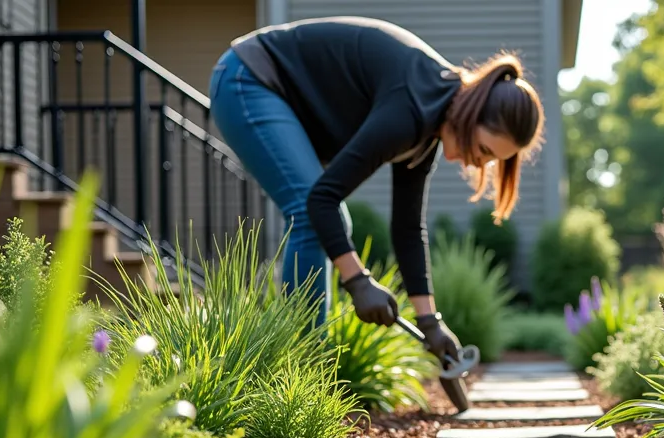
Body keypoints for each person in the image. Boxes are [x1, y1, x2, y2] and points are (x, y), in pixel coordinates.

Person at [208, 16, 545, 367]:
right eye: (485, 150)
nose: (479, 165)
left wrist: (431, 321)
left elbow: (408, 229)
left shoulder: (431, 117)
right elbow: (321, 200)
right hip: (249, 79)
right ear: (472, 113)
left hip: (275, 94)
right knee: (313, 217)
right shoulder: (411, 106)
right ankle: (304, 371)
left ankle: (303, 370)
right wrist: (358, 281)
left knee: (326, 219)